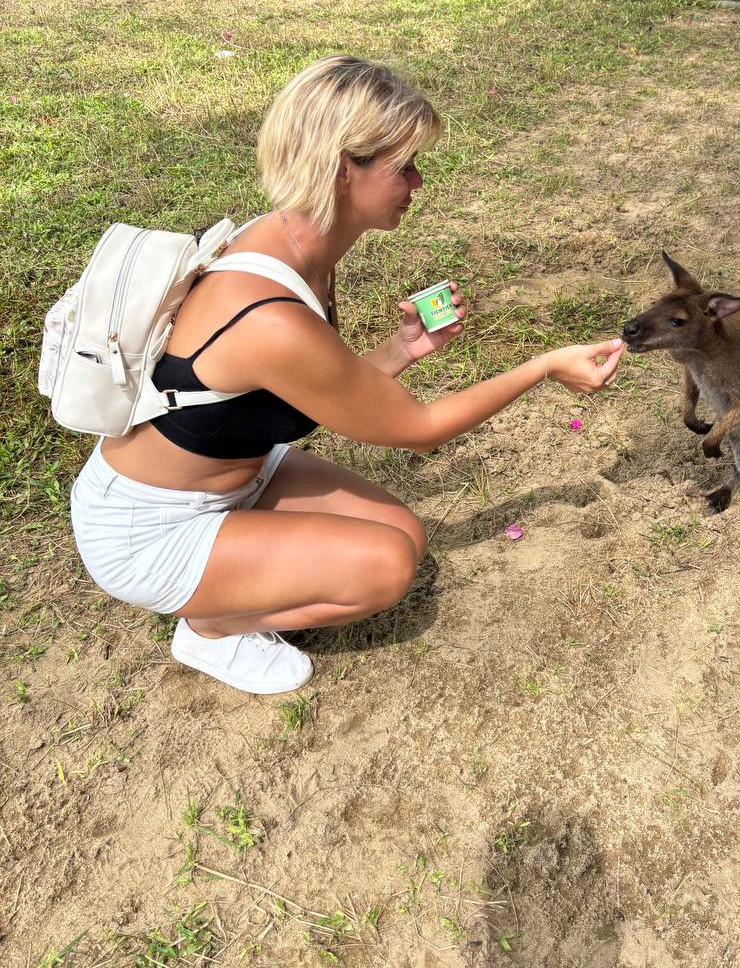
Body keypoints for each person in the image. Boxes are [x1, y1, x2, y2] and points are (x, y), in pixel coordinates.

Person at [69, 57, 624, 695]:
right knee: (384, 568)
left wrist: (402, 349)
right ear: (341, 169)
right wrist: (544, 366)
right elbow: (419, 429)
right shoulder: (266, 311)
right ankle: (212, 628)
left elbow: (311, 385)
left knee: (406, 534)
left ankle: (231, 585)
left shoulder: (292, 246)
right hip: (150, 529)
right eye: (403, 166)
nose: (417, 183)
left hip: (236, 475)